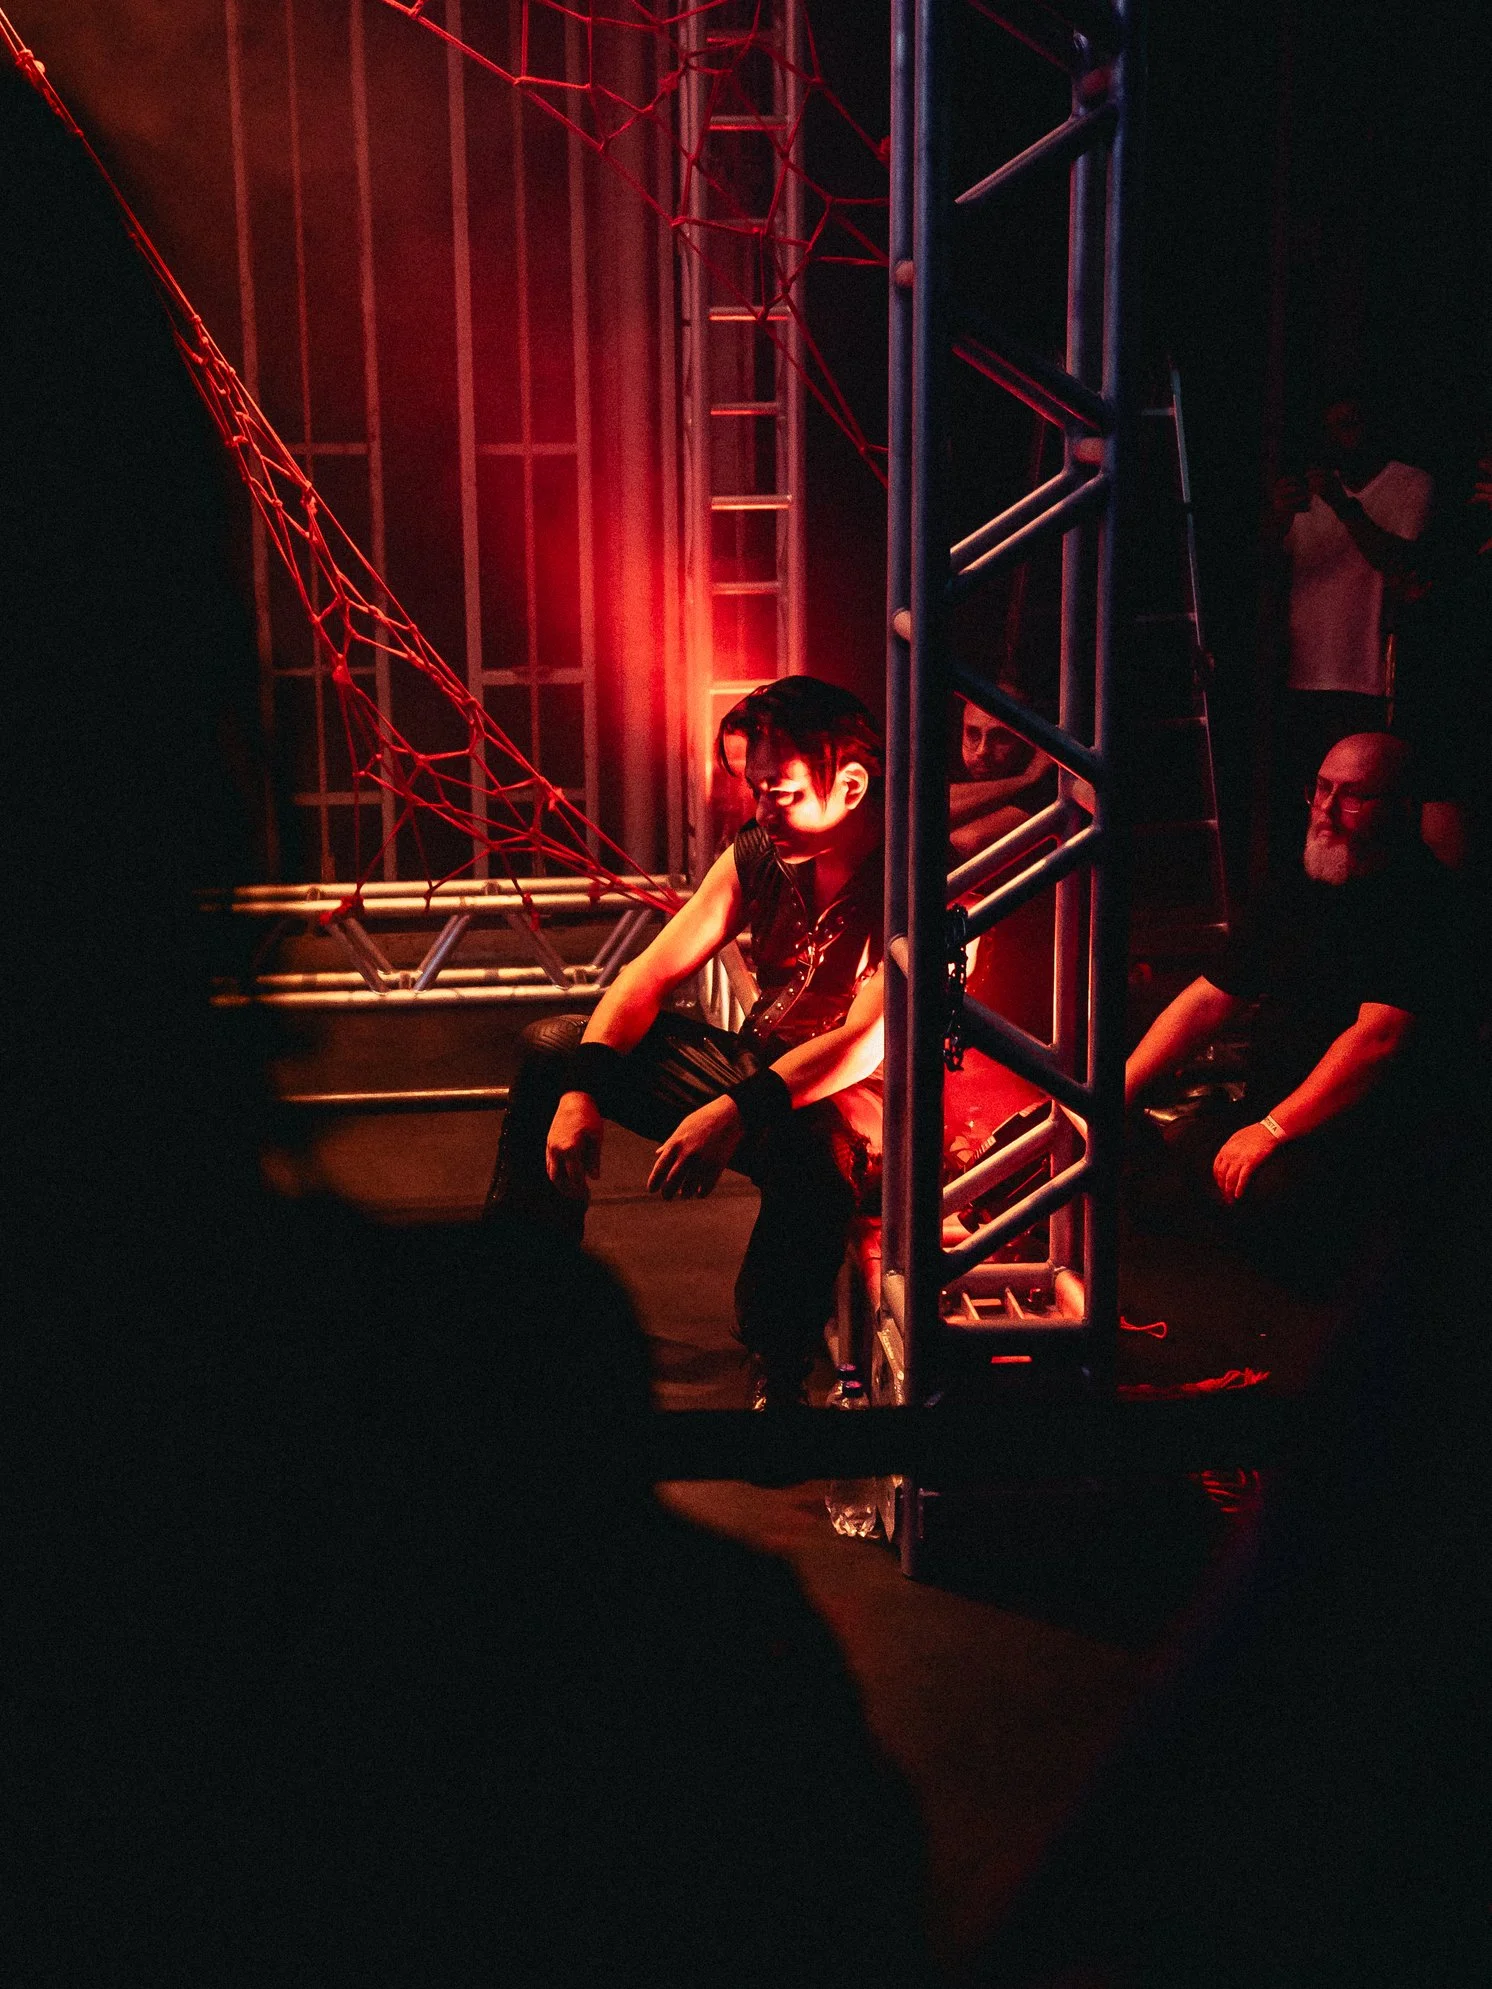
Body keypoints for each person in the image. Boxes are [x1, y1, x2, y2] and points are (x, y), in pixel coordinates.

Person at [486, 676, 887, 1407]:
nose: (762, 810)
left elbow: (863, 1042)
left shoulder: (919, 877)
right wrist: (583, 1089)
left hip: (871, 1110)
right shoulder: (759, 852)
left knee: (815, 1149)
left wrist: (733, 1111)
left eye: (782, 792)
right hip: (765, 1073)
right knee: (555, 1048)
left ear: (852, 786)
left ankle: (780, 1372)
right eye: (756, 790)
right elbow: (648, 975)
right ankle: (528, 1296)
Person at [1124, 731, 1464, 1290]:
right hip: (1268, 1116)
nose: (1326, 810)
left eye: (1352, 796)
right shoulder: (1297, 887)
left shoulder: (1426, 902)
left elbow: (1377, 1040)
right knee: (1132, 1156)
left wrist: (1272, 1129)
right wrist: (1119, 1087)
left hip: (1359, 1137)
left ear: (1404, 808)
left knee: (1281, 1205)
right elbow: (1210, 998)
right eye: (1321, 789)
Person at [1269, 394, 1433, 818]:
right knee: (1306, 806)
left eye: (1348, 425)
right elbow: (1260, 574)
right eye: (1329, 429)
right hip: (1303, 674)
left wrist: (1342, 506)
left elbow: (1400, 562)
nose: (1339, 440)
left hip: (1368, 675)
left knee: (1363, 810)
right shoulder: (1307, 491)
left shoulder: (1408, 483)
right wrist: (1275, 518)